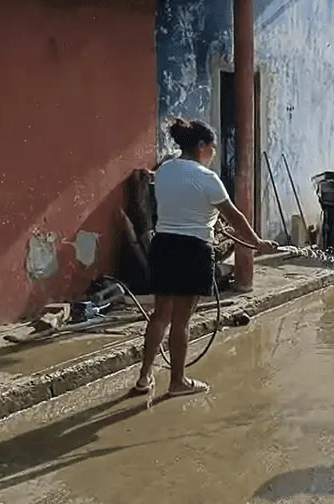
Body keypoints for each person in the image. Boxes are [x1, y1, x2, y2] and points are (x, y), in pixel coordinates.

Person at [132, 117, 278, 398]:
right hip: (193, 250)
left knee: (160, 315)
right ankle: (178, 382)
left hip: (163, 245)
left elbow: (180, 201)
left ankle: (144, 377)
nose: (213, 154)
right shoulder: (208, 179)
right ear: (201, 146)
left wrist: (209, 219)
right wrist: (257, 242)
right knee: (182, 321)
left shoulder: (164, 170)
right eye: (212, 148)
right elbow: (234, 216)